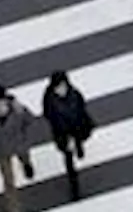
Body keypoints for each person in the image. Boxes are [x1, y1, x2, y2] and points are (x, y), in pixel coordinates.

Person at [41, 70, 95, 200]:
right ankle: (74, 187)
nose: (61, 89)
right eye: (58, 86)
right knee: (68, 158)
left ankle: (79, 145)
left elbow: (82, 108)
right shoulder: (49, 99)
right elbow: (49, 115)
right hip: (63, 133)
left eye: (63, 85)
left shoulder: (74, 93)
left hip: (77, 127)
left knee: (78, 140)